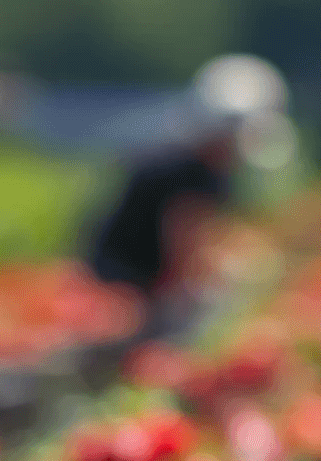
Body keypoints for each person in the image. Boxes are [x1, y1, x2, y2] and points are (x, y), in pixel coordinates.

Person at [85, 54, 292, 299]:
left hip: (123, 279)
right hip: (127, 290)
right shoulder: (190, 175)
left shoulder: (179, 160)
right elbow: (184, 252)